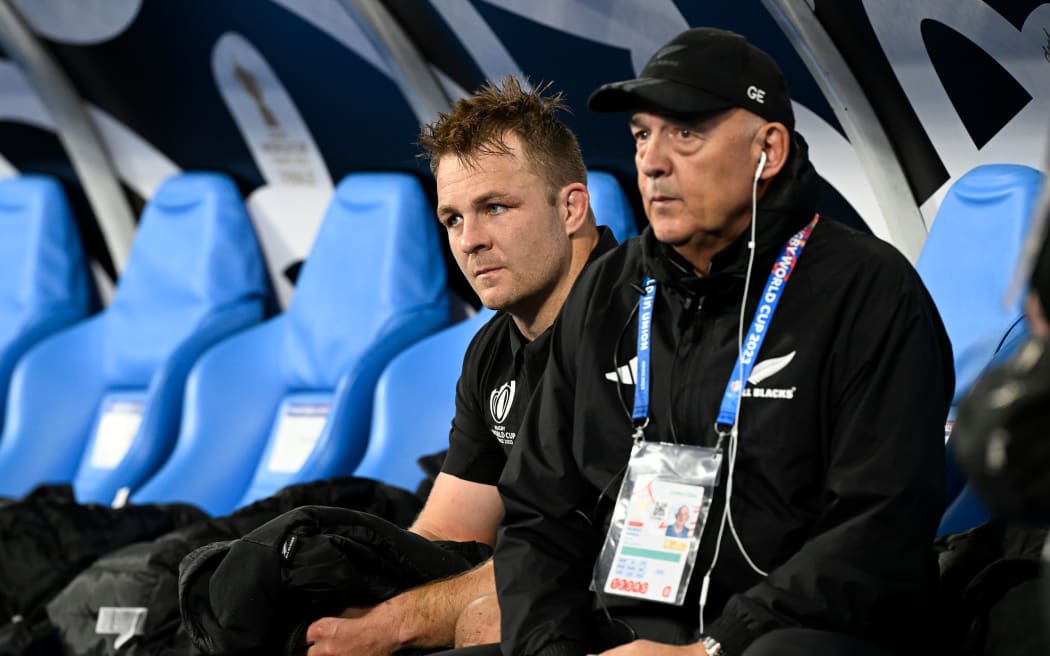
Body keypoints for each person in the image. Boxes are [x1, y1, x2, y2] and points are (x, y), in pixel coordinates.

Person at [494, 27, 953, 656]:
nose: (652, 160)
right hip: (623, 638)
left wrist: (714, 648)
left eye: (685, 132)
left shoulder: (869, 291)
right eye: (641, 135)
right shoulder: (608, 291)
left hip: (792, 638)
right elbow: (539, 514)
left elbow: (880, 526)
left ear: (769, 148)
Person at [304, 77, 619, 655]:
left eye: (495, 208)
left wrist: (393, 625)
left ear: (571, 208)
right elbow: (448, 533)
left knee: (487, 619)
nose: (470, 241)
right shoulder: (492, 348)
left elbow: (588, 549)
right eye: (452, 219)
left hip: (648, 602)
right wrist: (363, 605)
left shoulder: (637, 324)